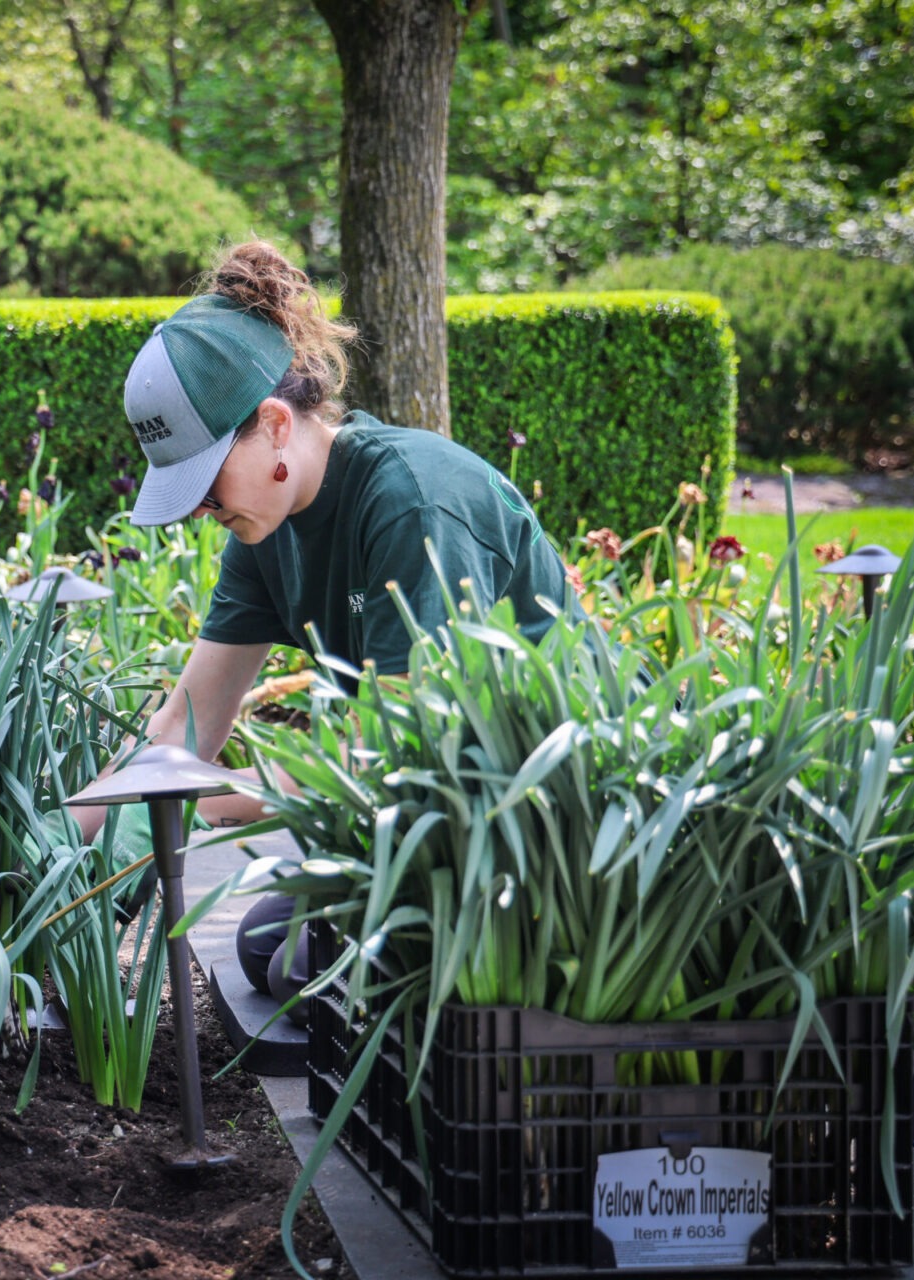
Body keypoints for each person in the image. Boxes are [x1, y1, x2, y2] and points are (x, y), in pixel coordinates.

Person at [68, 239, 575, 996]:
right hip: (428, 827)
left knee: (306, 967)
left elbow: (396, 759)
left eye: (206, 482)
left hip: (540, 831)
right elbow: (183, 726)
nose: (202, 511)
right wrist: (58, 839)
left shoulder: (412, 503)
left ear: (275, 424)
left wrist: (183, 806)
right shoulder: (264, 525)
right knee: (269, 949)